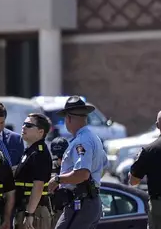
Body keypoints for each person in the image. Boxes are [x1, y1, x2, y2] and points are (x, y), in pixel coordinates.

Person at [47, 96, 107, 229]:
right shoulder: (94, 138)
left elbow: (82, 174)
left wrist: (57, 179)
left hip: (81, 202)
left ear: (68, 118)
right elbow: (104, 168)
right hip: (90, 201)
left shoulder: (81, 141)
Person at [13, 114, 54, 229]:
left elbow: (38, 185)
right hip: (24, 208)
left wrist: (29, 213)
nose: (23, 127)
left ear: (41, 132)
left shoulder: (39, 153)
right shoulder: (30, 151)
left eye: (29, 125)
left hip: (35, 212)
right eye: (24, 124)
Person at [48, 137, 69, 226]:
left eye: (61, 156)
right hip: (50, 211)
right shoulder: (48, 166)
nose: (59, 159)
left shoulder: (73, 168)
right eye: (57, 156)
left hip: (66, 212)